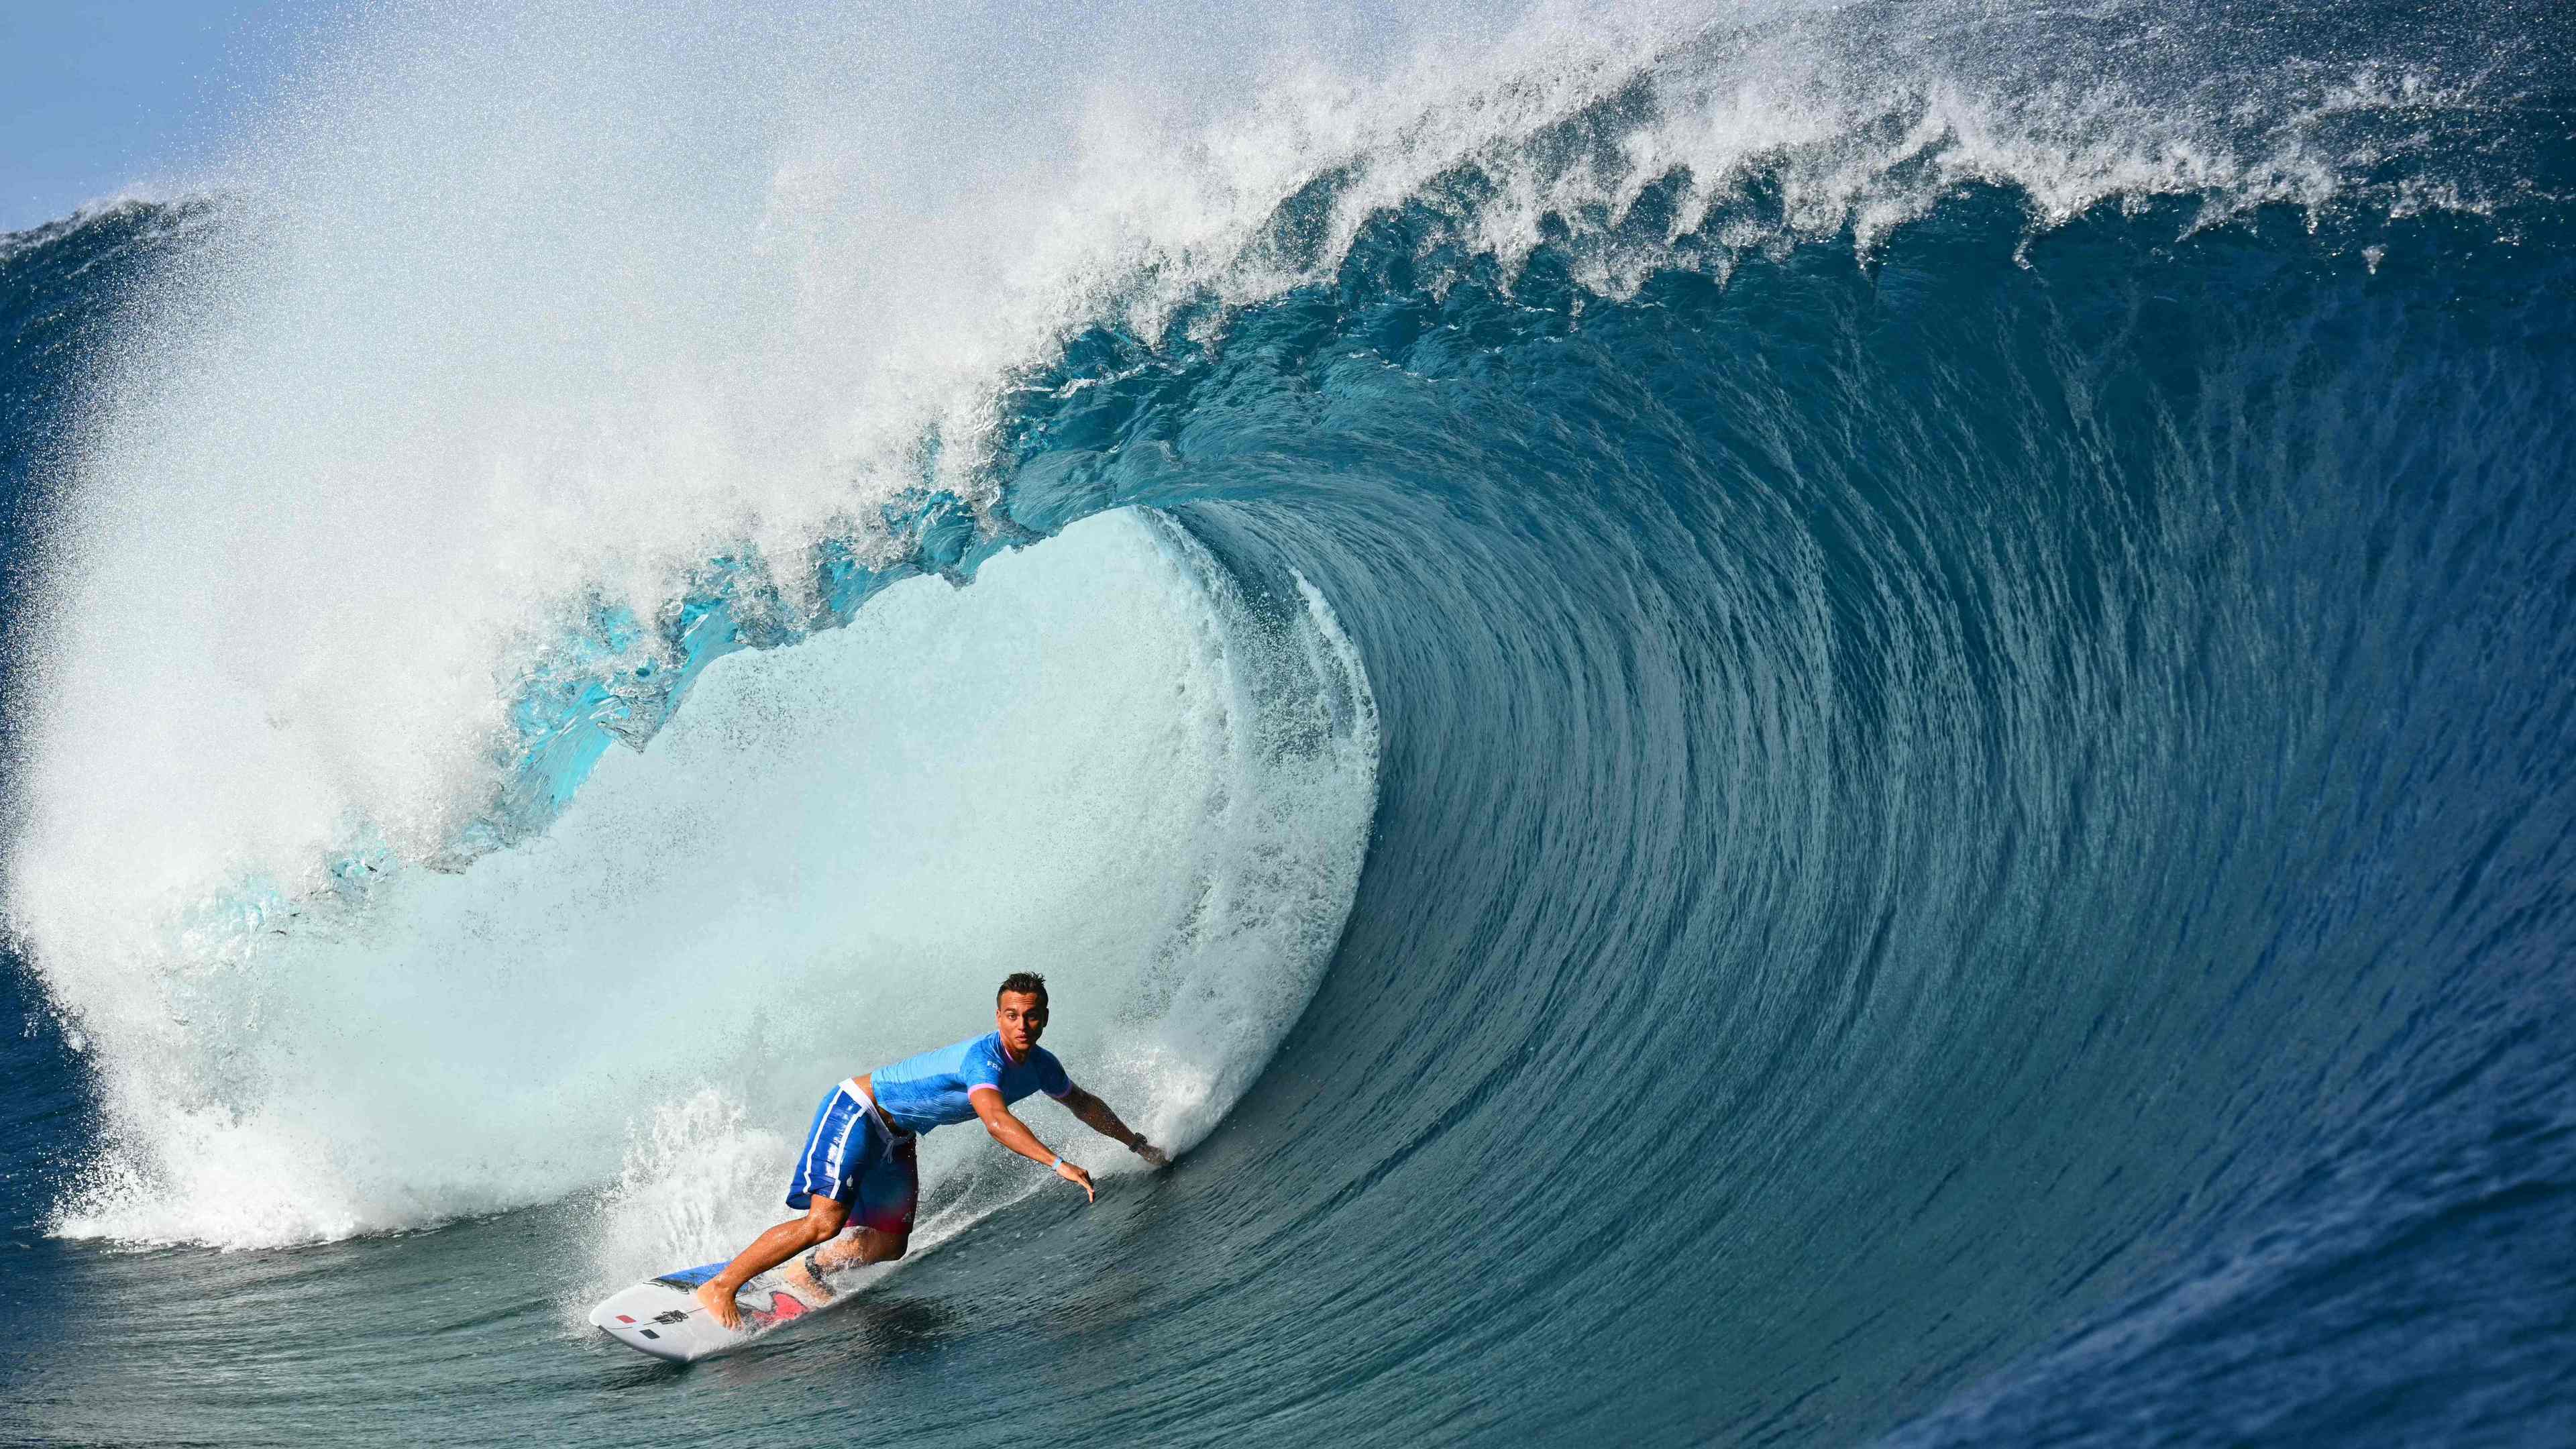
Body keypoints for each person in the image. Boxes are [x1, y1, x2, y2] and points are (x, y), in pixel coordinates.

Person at [692, 971, 1170, 1328]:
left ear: (1044, 1018)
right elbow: (996, 1120)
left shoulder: (1042, 1066)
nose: (1021, 1024)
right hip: (859, 1111)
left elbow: (1082, 1102)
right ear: (998, 1016)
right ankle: (721, 1287)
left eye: (1031, 1015)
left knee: (891, 1244)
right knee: (825, 1221)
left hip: (898, 1137)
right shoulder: (983, 1059)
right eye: (1011, 1015)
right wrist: (1058, 1163)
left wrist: (1135, 1143)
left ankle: (809, 1269)